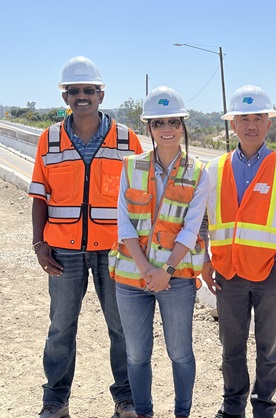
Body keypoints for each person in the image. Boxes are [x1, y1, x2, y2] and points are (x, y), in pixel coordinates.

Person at [29, 56, 142, 418]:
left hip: (116, 251)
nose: (82, 96)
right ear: (65, 97)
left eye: (88, 90)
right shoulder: (49, 139)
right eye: (74, 91)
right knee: (61, 328)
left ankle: (126, 398)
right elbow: (39, 195)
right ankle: (55, 400)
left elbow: (143, 198)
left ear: (101, 94)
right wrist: (38, 243)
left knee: (122, 327)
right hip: (64, 251)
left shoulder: (128, 139)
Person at [201, 85, 276, 418]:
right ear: (233, 124)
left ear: (269, 123)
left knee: (268, 348)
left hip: (270, 277)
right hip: (229, 274)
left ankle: (264, 407)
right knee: (231, 348)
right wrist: (205, 261)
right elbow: (204, 223)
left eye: (258, 117)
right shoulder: (213, 170)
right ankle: (232, 405)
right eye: (244, 118)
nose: (251, 124)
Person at [109, 86, 208, 418]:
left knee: (179, 353)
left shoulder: (198, 173)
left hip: (176, 278)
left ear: (182, 126)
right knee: (136, 355)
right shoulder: (130, 167)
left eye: (173, 122)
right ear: (148, 128)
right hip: (131, 277)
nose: (167, 129)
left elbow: (191, 229)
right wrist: (145, 270)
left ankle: (182, 412)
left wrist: (164, 272)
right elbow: (124, 225)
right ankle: (144, 413)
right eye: (158, 123)